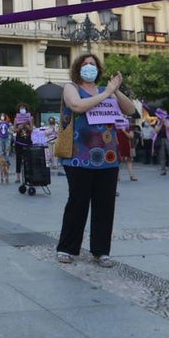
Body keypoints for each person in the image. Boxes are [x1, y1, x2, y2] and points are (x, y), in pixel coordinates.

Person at [55, 53, 135, 267]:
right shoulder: (71, 87)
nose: (89, 67)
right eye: (85, 64)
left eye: (92, 64)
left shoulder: (106, 91)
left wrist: (115, 90)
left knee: (105, 204)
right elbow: (78, 106)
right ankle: (67, 248)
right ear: (78, 68)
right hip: (79, 157)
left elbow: (130, 110)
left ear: (98, 69)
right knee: (77, 202)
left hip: (108, 157)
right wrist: (106, 93)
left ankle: (101, 251)